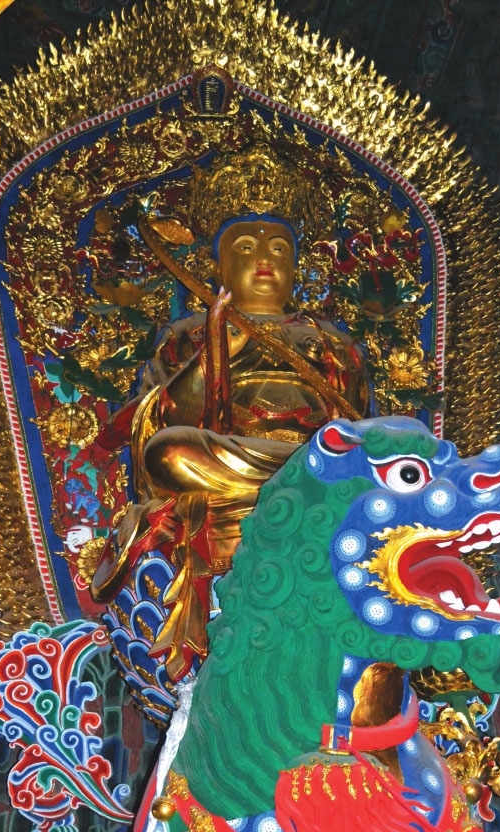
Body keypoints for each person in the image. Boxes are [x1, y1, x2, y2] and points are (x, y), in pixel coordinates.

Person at [91, 147, 370, 675]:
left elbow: (359, 430)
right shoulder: (188, 333)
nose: (265, 257)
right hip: (223, 459)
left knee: (365, 466)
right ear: (218, 266)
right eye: (245, 247)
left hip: (314, 460)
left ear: (298, 269)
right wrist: (217, 352)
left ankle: (302, 474)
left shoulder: (330, 342)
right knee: (168, 452)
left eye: (279, 248)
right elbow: (156, 419)